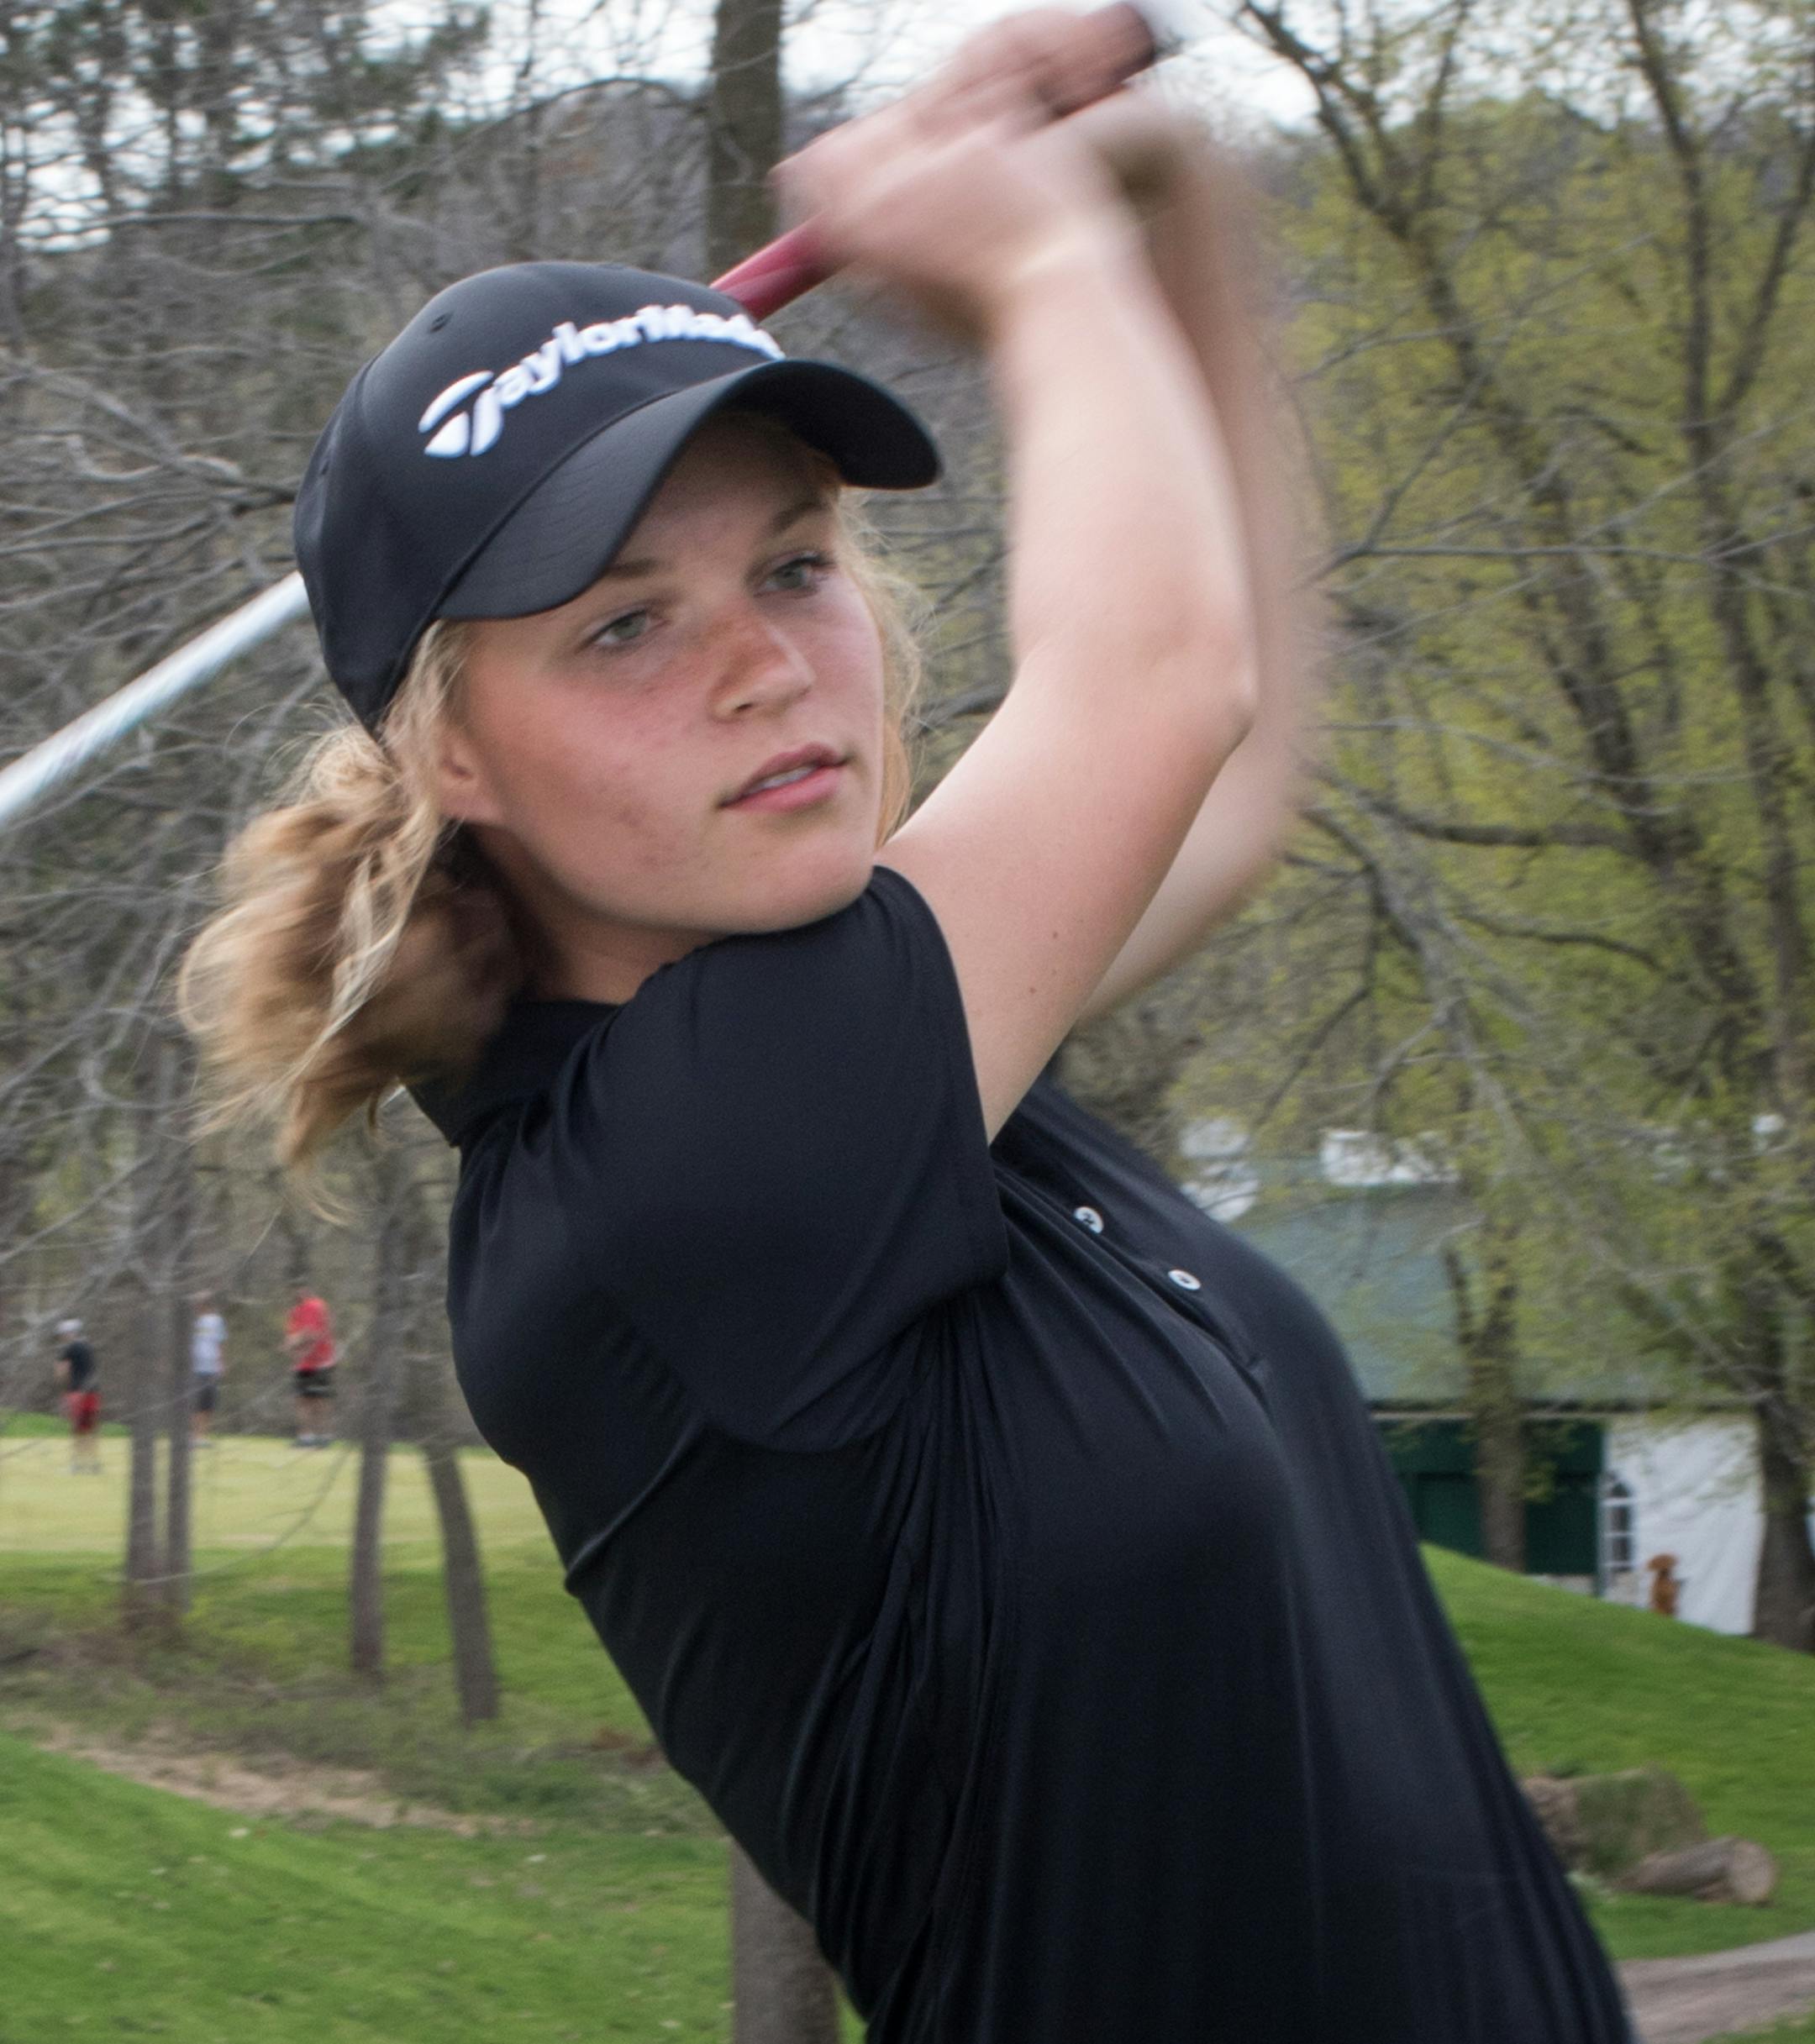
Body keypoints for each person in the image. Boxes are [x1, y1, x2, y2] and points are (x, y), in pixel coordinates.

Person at [179, 15, 1634, 2040]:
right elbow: (1158, 686)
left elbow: (1224, 751)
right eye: (621, 621)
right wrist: (1038, 273)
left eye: (792, 562)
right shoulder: (670, 1182)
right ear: (453, 754)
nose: (768, 668)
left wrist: (1159, 200)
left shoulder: (870, 1024)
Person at [283, 1285, 336, 1445]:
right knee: (319, 1400)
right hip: (321, 1360)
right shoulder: (318, 1307)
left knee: (306, 1401)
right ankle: (323, 1435)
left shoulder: (310, 1306)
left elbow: (309, 1333)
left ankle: (308, 1437)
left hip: (311, 1362)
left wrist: (291, 1344)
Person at [54, 1318, 101, 1474]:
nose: (62, 1337)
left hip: (76, 1392)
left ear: (69, 1333)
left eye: (63, 1334)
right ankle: (94, 1464)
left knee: (77, 1429)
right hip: (92, 1392)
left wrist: (62, 1387)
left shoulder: (70, 1348)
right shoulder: (88, 1347)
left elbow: (62, 1370)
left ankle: (76, 1465)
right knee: (90, 1429)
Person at [190, 1290, 227, 1442]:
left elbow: (220, 1343)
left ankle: (202, 1435)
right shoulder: (193, 1323)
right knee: (195, 1403)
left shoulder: (216, 1321)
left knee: (207, 1404)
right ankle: (194, 1435)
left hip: (210, 1367)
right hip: (195, 1368)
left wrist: (221, 1363)